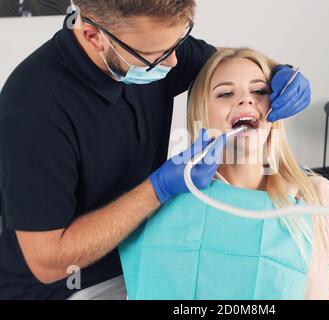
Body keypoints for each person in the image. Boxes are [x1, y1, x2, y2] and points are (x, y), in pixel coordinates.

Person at [0, 1, 312, 299]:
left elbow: (226, 68)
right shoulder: (35, 114)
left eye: (178, 43)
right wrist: (158, 189)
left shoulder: (153, 44)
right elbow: (48, 262)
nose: (175, 63)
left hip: (140, 249)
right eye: (155, 56)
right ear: (94, 36)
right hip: (70, 286)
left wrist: (277, 73)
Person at [119, 48, 329, 300]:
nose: (245, 101)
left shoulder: (316, 197)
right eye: (226, 93)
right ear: (201, 114)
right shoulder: (168, 204)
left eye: (259, 91)